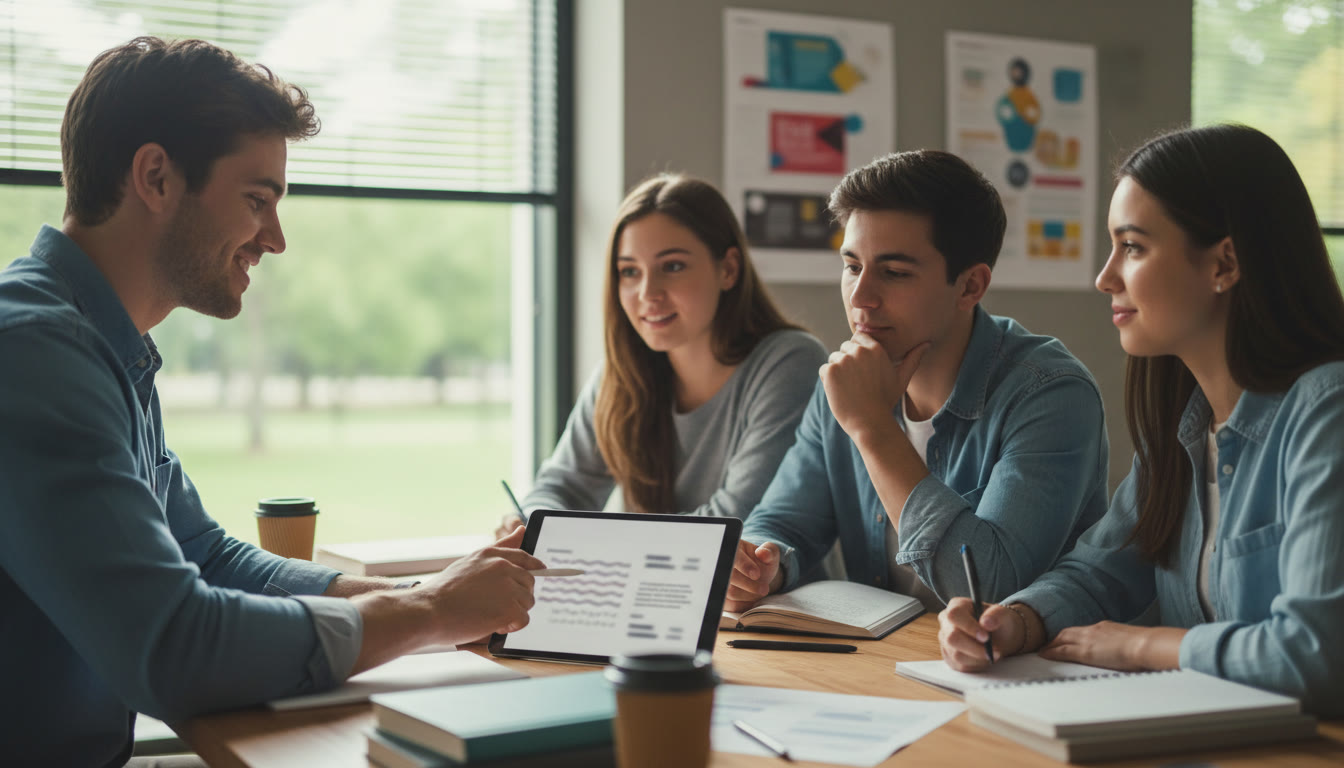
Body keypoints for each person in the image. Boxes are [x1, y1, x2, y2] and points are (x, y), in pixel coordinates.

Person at [0, 37, 544, 767]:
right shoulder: (35, 352)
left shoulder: (102, 344)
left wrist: (426, 595)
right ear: (156, 177)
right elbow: (174, 648)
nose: (276, 239)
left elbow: (205, 556)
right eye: (257, 200)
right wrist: (427, 613)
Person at [937, 125, 1344, 717]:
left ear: (1224, 263)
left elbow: (1316, 655)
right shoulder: (1184, 429)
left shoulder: (1325, 412)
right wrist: (1015, 621)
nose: (1105, 277)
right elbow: (1099, 571)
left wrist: (1143, 645)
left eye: (1132, 246)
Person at [727, 150, 1110, 613]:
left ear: (970, 286)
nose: (861, 298)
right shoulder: (848, 380)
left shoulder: (1051, 393)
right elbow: (783, 521)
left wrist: (872, 428)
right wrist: (758, 562)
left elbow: (989, 586)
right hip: (886, 664)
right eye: (852, 267)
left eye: (893, 273)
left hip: (1018, 675)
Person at [494, 174, 826, 532]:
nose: (648, 293)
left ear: (728, 269)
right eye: (629, 272)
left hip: (775, 590)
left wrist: (583, 540)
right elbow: (562, 487)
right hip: (654, 586)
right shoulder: (620, 373)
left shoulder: (790, 362)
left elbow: (733, 522)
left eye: (673, 266)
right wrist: (529, 522)